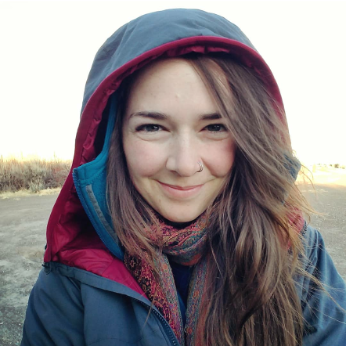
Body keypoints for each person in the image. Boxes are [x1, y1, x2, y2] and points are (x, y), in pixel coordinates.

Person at [21, 8, 346, 346]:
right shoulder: (73, 276)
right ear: (114, 139)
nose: (185, 164)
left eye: (216, 127)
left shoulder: (297, 251)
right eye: (152, 127)